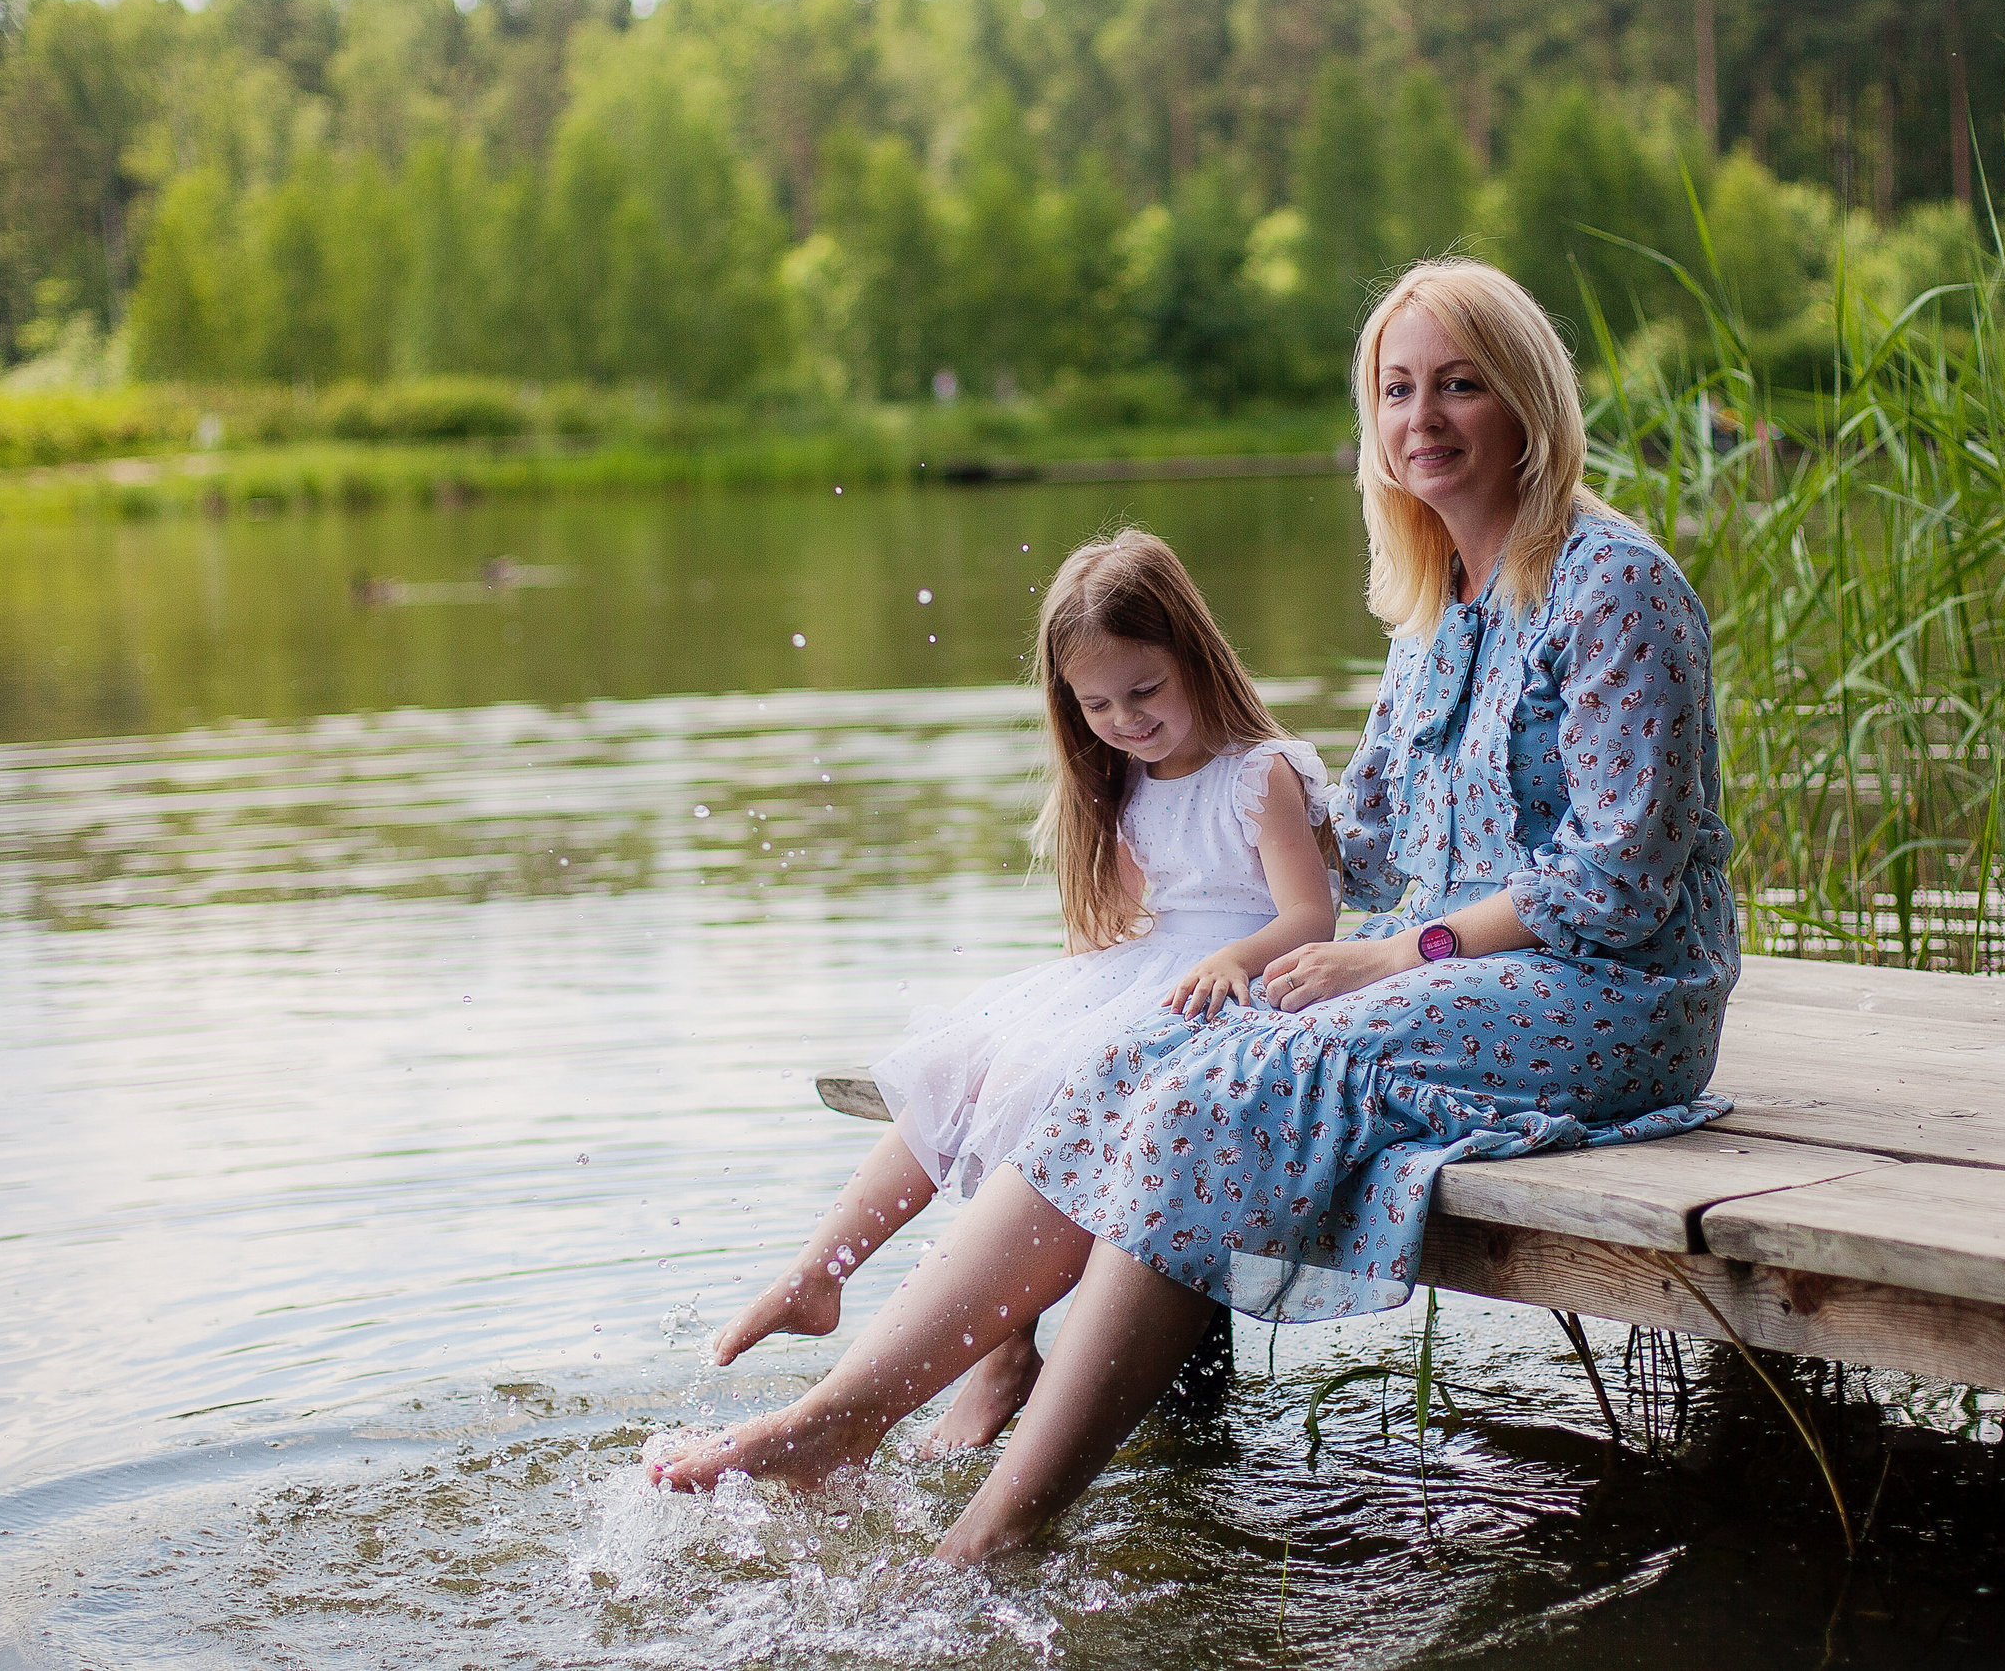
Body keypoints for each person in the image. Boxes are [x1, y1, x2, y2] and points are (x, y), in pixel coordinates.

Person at [648, 259, 1741, 1566]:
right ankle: (844, 1415)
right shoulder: (1436, 607)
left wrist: (1397, 947)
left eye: (1461, 383)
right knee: (1137, 1054)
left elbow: (1621, 880)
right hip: (1448, 980)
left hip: (1610, 997)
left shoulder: (1615, 587)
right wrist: (1216, 799)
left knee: (1246, 1082)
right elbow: (1375, 834)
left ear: (1528, 401)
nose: (1424, 417)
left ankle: (1000, 1525)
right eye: (1398, 388)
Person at [673, 528, 1338, 1458]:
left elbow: (1312, 917)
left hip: (1233, 993)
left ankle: (998, 1349)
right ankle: (822, 1269)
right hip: (1151, 977)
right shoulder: (1133, 784)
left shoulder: (1257, 775)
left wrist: (1240, 959)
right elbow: (1118, 929)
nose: (1128, 720)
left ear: (1193, 653)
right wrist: (1073, 992)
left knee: (1065, 1076)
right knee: (974, 1057)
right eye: (1098, 704)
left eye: (1145, 691)